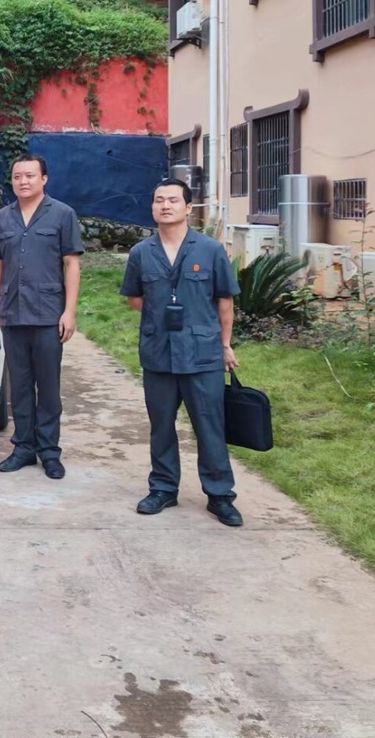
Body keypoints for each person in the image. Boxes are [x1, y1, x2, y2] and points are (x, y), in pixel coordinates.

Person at [119, 178, 243, 526]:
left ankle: (220, 495)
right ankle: (163, 488)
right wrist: (160, 315)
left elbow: (225, 300)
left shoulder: (210, 250)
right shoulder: (142, 253)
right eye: (159, 200)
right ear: (152, 208)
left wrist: (224, 344)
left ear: (189, 208)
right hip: (158, 352)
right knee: (161, 425)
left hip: (202, 353)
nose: (165, 205)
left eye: (173, 200)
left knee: (210, 426)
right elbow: (133, 297)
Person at [0, 153, 84, 480]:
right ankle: (24, 447)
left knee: (49, 387)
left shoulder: (62, 214)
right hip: (13, 314)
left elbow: (71, 264)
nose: (23, 181)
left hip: (48, 314)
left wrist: (69, 311)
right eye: (17, 176)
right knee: (20, 386)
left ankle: (49, 451)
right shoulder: (2, 219)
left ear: (44, 179)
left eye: (29, 175)